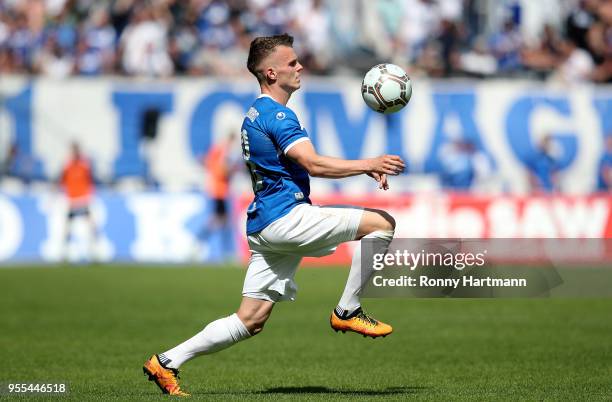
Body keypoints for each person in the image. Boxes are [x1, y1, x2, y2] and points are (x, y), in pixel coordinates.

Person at [143, 33, 405, 396]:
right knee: (382, 225)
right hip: (285, 219)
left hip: (266, 222)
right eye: (292, 63)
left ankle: (167, 361)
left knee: (250, 320)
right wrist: (368, 163)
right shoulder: (278, 114)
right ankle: (347, 310)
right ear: (270, 73)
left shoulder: (257, 113)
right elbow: (312, 163)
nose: (300, 67)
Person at [60, 142, 98, 261]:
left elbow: (90, 181)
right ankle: (64, 253)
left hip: (82, 199)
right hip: (72, 200)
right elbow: (62, 181)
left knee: (90, 226)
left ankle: (93, 252)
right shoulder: (67, 166)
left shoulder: (84, 166)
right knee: (68, 227)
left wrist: (90, 195)